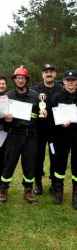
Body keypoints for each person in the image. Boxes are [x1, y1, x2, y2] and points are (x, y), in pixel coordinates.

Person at [0, 66, 44, 205]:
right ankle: (3, 190)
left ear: (26, 80)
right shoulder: (7, 96)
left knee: (29, 164)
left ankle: (28, 191)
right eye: (18, 78)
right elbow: (0, 117)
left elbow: (39, 114)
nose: (20, 80)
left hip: (31, 135)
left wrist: (43, 113)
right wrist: (5, 119)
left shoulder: (35, 95)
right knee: (9, 163)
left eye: (23, 78)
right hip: (14, 135)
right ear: (14, 80)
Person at [31, 64, 62, 195]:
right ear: (42, 74)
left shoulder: (62, 89)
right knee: (38, 157)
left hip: (55, 132)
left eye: (51, 72)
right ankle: (38, 183)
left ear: (55, 74)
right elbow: (31, 108)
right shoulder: (34, 90)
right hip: (39, 131)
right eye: (46, 72)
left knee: (55, 156)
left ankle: (54, 183)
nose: (49, 74)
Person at [50, 70, 77, 209]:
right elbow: (50, 117)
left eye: (73, 79)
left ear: (76, 82)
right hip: (62, 135)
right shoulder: (57, 97)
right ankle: (58, 191)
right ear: (64, 81)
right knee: (60, 163)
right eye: (68, 80)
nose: (70, 82)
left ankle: (76, 194)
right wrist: (60, 123)